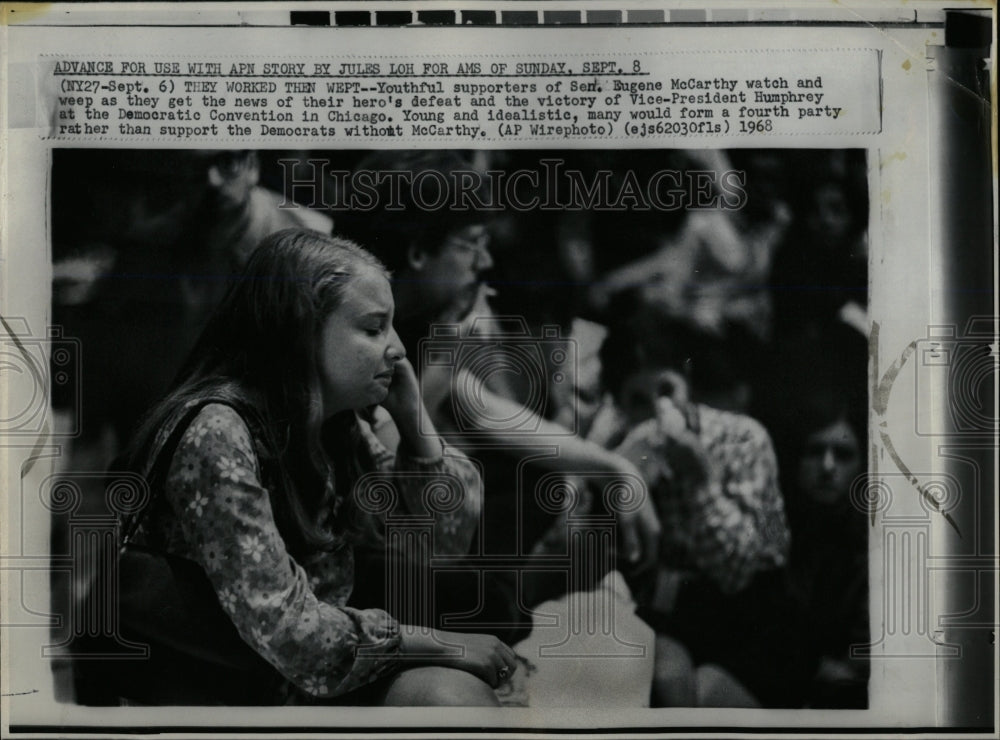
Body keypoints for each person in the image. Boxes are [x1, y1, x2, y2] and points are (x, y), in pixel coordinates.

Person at [93, 229, 516, 706]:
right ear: (302, 330)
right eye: (374, 329)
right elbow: (289, 630)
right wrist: (443, 643)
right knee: (452, 695)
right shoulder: (217, 431)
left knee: (469, 658)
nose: (397, 348)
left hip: (289, 674)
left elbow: (439, 544)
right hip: (216, 687)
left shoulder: (331, 428)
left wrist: (415, 423)